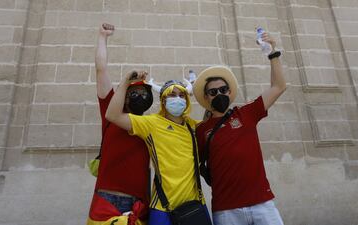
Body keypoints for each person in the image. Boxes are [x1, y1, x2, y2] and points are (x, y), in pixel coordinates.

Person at [193, 32, 286, 225]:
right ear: (207, 97)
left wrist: (273, 53)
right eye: (213, 92)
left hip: (262, 204)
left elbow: (278, 86)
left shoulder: (247, 113)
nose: (219, 94)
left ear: (229, 92)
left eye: (223, 90)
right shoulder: (201, 130)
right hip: (226, 210)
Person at [105, 73, 212, 225]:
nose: (178, 99)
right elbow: (112, 115)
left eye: (182, 95)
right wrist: (125, 82)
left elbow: (214, 121)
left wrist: (201, 91)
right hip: (162, 207)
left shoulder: (193, 126)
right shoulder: (151, 123)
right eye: (172, 95)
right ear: (163, 100)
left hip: (195, 205)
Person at [87, 23, 153, 225]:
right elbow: (101, 69)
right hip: (107, 201)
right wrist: (102, 37)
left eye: (143, 93)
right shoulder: (111, 109)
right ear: (124, 96)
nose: (138, 96)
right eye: (133, 93)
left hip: (139, 205)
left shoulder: (151, 124)